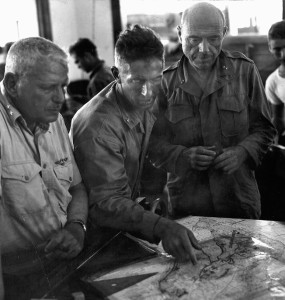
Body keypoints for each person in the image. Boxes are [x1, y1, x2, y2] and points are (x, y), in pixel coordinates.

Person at [70, 25, 201, 264]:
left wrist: (146, 199)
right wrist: (161, 227)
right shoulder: (98, 128)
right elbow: (105, 203)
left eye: (156, 79)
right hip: (94, 240)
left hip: (123, 224)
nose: (147, 92)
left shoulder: (141, 98)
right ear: (115, 73)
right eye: (137, 80)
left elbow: (149, 149)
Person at [148, 2, 276, 219]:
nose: (204, 49)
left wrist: (242, 152)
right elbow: (151, 145)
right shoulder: (164, 83)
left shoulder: (244, 72)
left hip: (238, 199)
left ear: (224, 34)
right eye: (194, 39)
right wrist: (183, 156)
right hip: (186, 205)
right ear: (180, 35)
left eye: (213, 39)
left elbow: (265, 130)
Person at [0, 37, 88, 299]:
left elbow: (78, 188)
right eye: (49, 87)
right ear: (12, 84)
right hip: (17, 278)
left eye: (63, 86)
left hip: (65, 265)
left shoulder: (55, 120)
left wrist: (76, 227)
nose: (61, 98)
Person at [265, 21, 285, 146]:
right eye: (277, 49)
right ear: (270, 48)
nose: (283, 54)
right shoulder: (273, 81)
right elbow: (277, 118)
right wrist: (273, 138)